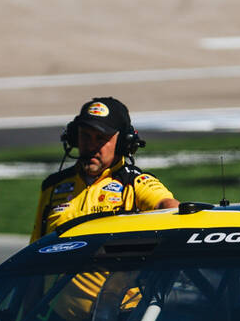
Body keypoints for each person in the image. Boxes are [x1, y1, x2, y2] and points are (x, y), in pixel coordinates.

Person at [30, 96, 179, 242]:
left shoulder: (135, 184)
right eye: (85, 136)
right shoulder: (52, 186)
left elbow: (168, 207)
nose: (91, 145)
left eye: (100, 138)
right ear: (74, 137)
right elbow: (35, 247)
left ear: (123, 143)